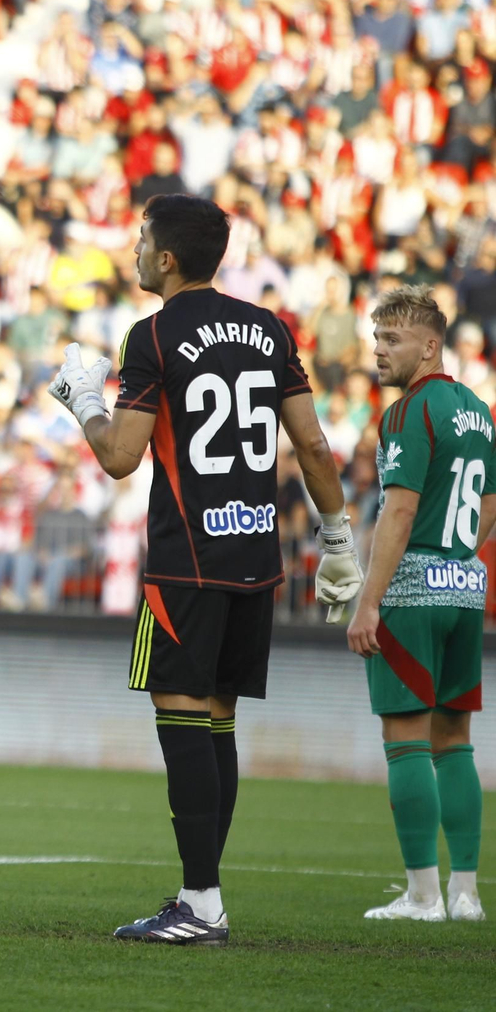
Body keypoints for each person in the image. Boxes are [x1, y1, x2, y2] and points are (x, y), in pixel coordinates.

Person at [47, 194, 361, 945]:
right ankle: (204, 897)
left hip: (186, 559)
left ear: (166, 258)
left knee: (183, 720)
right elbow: (313, 446)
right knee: (218, 721)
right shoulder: (268, 329)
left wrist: (83, 400)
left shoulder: (152, 334)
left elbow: (121, 457)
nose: (132, 250)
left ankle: (200, 902)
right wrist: (339, 541)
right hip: (256, 555)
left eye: (140, 239)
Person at [345, 286, 490, 923]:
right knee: (454, 740)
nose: (380, 351)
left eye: (393, 340)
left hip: (411, 589)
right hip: (464, 586)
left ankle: (422, 894)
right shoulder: (479, 411)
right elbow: (490, 507)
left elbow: (398, 509)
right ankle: (466, 893)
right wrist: (460, 556)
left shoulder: (408, 412)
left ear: (430, 346)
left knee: (405, 740)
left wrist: (367, 602)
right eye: (377, 339)